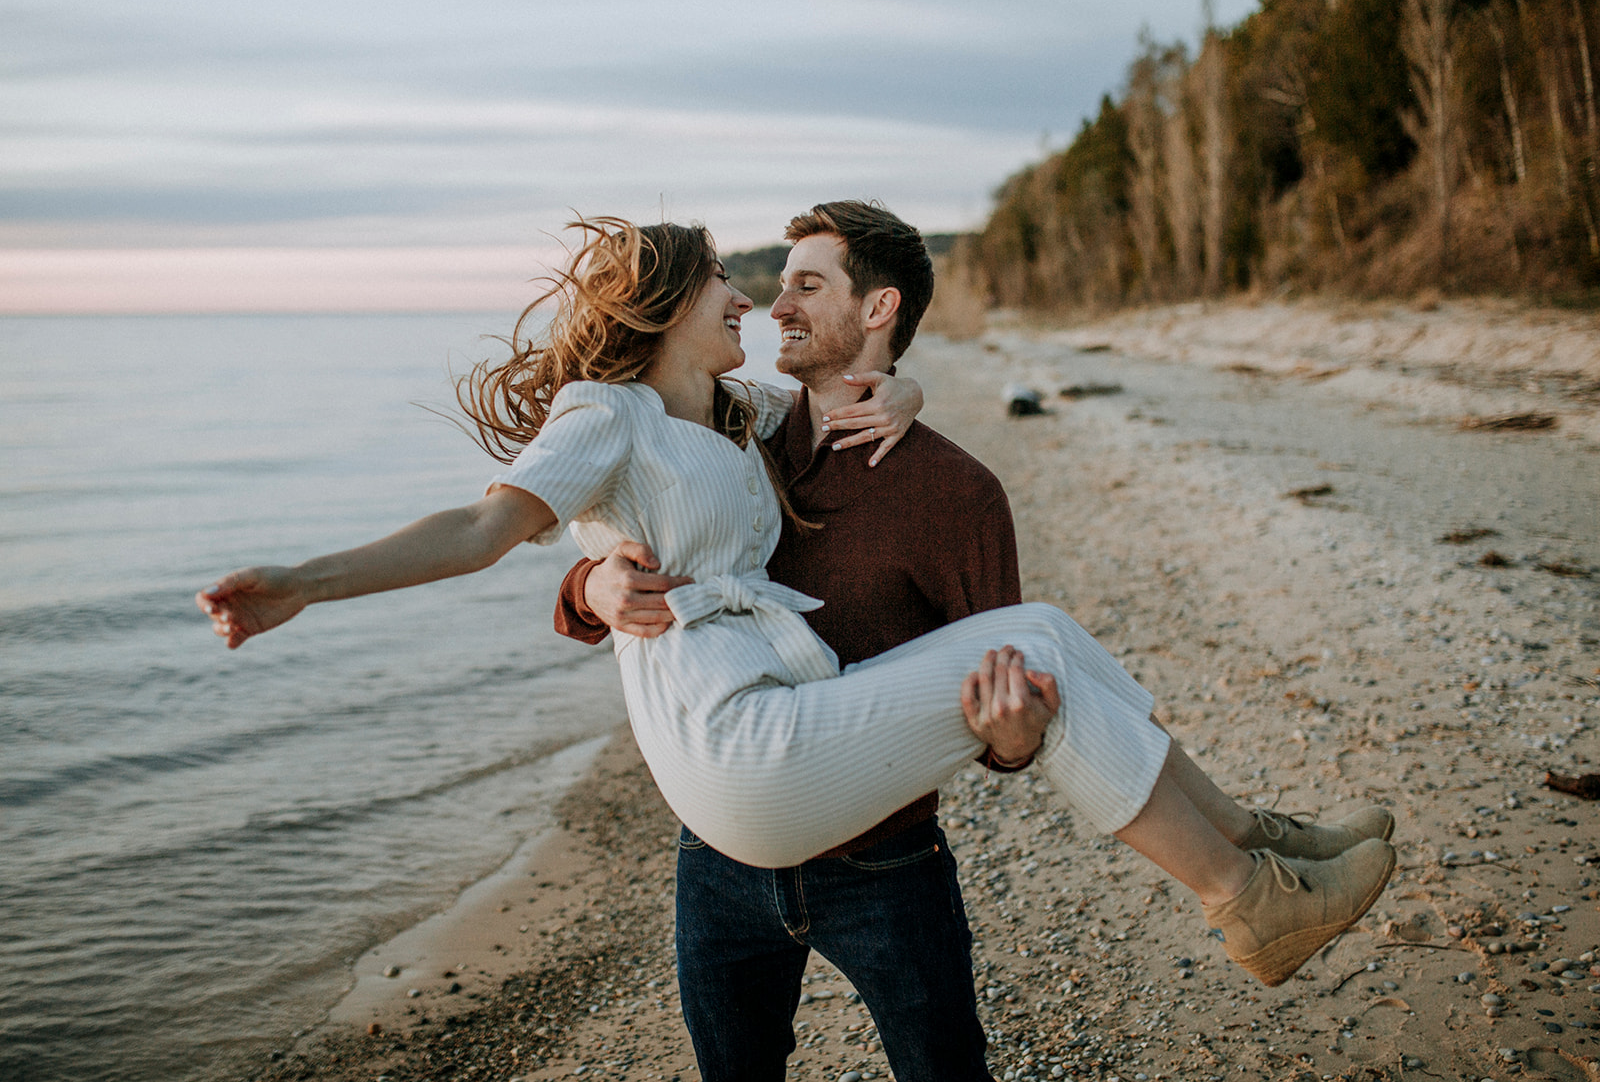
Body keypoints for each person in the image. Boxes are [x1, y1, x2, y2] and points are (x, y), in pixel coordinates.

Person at [196, 214, 1396, 1007]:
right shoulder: (605, 414)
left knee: (1050, 639)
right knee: (1036, 635)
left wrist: (909, 382)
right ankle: (1244, 903)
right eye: (735, 281)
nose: (757, 300)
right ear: (669, 301)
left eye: (787, 284)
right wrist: (307, 582)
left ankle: (1255, 849)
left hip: (793, 747)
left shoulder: (734, 421)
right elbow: (476, 532)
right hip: (740, 759)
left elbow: (837, 399)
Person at [552, 200, 1043, 1079]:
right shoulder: (743, 437)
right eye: (777, 286)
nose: (775, 306)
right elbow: (630, 530)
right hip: (721, 850)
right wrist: (590, 586)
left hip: (886, 859)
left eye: (806, 286)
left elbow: (994, 687)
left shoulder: (956, 493)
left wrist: (1013, 739)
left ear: (879, 309)